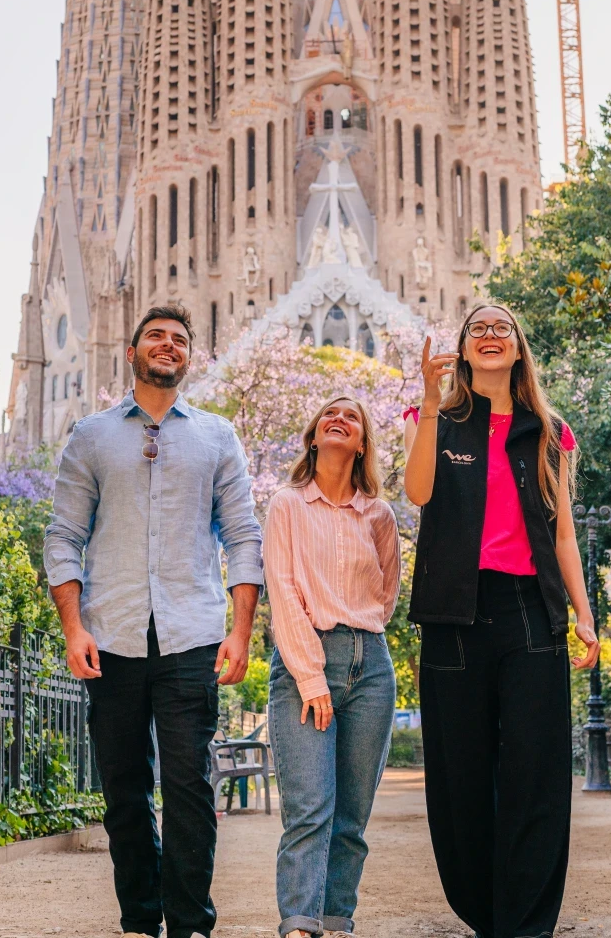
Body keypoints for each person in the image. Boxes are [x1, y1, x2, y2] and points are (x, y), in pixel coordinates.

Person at [44, 303, 264, 938]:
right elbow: (63, 536)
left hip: (191, 633)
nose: (168, 346)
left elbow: (244, 536)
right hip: (109, 636)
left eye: (179, 340)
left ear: (188, 358)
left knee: (192, 785)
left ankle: (190, 922)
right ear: (133, 351)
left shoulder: (217, 437)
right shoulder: (90, 435)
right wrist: (73, 627)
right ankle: (141, 919)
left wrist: (241, 630)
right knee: (124, 789)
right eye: (156, 337)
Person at [402, 303, 600, 938]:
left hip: (529, 610)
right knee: (461, 770)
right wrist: (431, 403)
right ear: (463, 349)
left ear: (518, 349)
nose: (489, 337)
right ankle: (484, 911)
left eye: (501, 329)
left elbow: (564, 533)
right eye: (477, 330)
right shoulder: (435, 418)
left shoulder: (549, 430)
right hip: (452, 613)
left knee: (535, 770)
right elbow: (418, 493)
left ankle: (527, 921)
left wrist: (585, 616)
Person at [264, 396, 401, 938]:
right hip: (305, 663)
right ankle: (299, 925)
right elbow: (283, 591)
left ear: (362, 442)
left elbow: (386, 593)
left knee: (351, 820)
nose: (339, 419)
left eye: (351, 417)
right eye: (328, 415)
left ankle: (338, 922)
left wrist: (357, 631)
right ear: (313, 437)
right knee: (309, 810)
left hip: (371, 666)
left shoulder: (379, 515)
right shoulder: (286, 506)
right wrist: (311, 674)